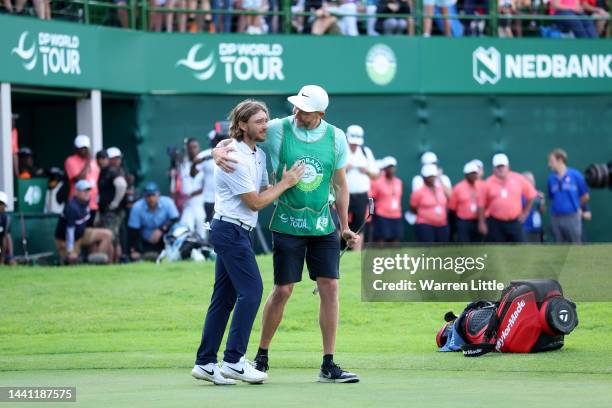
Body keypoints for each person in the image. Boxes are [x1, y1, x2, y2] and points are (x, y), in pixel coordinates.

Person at [213, 85, 360, 383]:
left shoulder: (336, 137)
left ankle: (328, 363)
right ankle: (262, 356)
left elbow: (340, 184)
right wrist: (218, 149)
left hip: (323, 223)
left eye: (304, 111)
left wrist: (344, 226)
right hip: (287, 223)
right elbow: (239, 137)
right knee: (283, 290)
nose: (296, 113)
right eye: (295, 107)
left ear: (320, 114)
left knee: (330, 287)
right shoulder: (279, 129)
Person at [192, 100, 305, 385]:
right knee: (252, 291)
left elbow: (263, 190)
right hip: (229, 230)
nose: (265, 125)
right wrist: (287, 182)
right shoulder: (232, 154)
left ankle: (205, 362)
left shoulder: (258, 154)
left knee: (224, 299)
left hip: (239, 232)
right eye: (259, 121)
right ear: (243, 125)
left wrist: (282, 183)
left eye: (266, 120)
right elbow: (255, 202)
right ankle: (233, 360)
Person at [478, 153, 536, 243]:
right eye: (498, 167)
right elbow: (481, 204)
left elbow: (531, 195)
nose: (501, 169)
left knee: (519, 250)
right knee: (497, 251)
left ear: (508, 167)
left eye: (503, 166)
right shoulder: (488, 183)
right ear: (493, 169)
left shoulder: (518, 179)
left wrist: (525, 213)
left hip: (514, 221)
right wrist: (482, 222)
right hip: (495, 223)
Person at [54, 180, 114, 264]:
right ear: (77, 192)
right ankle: (93, 261)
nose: (87, 193)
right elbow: (69, 231)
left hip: (81, 234)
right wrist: (70, 251)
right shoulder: (72, 207)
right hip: (66, 240)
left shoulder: (86, 203)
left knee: (108, 235)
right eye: (84, 191)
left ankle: (98, 262)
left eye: (88, 190)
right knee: (71, 263)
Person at [346, 124, 379, 249]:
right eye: (352, 142)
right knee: (337, 226)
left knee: (359, 227)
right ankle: (334, 254)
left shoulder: (366, 152)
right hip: (343, 194)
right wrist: (344, 169)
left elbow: (376, 175)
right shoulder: (341, 151)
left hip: (361, 196)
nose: (354, 145)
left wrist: (367, 171)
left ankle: (356, 255)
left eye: (356, 143)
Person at [127, 181, 180, 260]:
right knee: (147, 256)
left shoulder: (167, 202)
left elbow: (175, 218)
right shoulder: (137, 207)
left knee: (178, 229)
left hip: (166, 237)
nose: (151, 198)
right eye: (148, 196)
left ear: (158, 195)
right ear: (144, 197)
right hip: (147, 240)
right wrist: (135, 249)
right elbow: (133, 231)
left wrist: (161, 229)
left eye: (153, 195)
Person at [547, 148, 589, 243]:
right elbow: (552, 197)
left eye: (551, 161)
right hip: (556, 218)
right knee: (560, 247)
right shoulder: (551, 178)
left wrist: (576, 206)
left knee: (575, 246)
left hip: (572, 217)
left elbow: (585, 196)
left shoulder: (576, 175)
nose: (549, 164)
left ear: (560, 160)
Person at [98, 147, 129, 263]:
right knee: (115, 239)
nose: (116, 161)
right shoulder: (107, 172)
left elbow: (122, 186)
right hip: (112, 211)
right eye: (113, 159)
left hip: (115, 212)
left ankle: (113, 262)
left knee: (112, 238)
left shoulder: (114, 172)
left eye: (118, 158)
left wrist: (114, 203)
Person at [410, 163, 449, 242]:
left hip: (442, 225)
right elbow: (413, 208)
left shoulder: (441, 189)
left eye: (433, 176)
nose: (431, 179)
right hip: (425, 225)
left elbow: (448, 201)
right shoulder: (418, 192)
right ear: (424, 178)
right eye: (429, 176)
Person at [448, 161, 484, 242]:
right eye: (471, 173)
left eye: (475, 173)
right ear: (466, 175)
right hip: (464, 222)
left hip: (479, 221)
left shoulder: (482, 186)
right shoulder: (458, 188)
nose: (474, 175)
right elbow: (452, 208)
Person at [64, 135, 100, 217]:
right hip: (78, 204)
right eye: (81, 148)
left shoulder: (94, 162)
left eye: (85, 148)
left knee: (91, 229)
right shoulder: (71, 160)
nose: (83, 150)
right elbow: (80, 180)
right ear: (76, 148)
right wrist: (87, 162)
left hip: (93, 204)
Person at [370, 157, 404, 243]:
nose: (391, 169)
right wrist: (371, 213)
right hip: (382, 215)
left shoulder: (398, 182)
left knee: (396, 240)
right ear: (384, 169)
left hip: (396, 215)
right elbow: (371, 198)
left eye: (393, 167)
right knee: (381, 240)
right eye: (389, 167)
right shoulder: (377, 182)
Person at [180, 138, 207, 239]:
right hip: (187, 203)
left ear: (199, 148)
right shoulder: (184, 165)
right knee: (186, 225)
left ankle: (204, 248)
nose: (192, 150)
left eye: (194, 147)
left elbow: (206, 185)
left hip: (202, 202)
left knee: (202, 223)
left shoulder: (205, 162)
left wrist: (191, 194)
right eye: (190, 148)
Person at [521, 171, 545, 243]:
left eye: (532, 180)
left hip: (537, 228)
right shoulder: (520, 195)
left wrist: (542, 202)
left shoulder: (538, 194)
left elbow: (542, 211)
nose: (532, 182)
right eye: (529, 180)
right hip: (525, 229)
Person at [0, 191, 16, 266]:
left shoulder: (5, 218)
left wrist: (10, 256)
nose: (4, 208)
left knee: (12, 263)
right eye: (2, 205)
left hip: (1, 250)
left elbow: (6, 238)